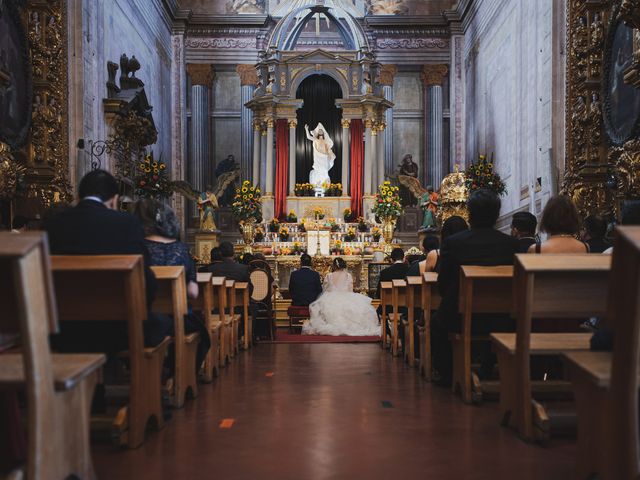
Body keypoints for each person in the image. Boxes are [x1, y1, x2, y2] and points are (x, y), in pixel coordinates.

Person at [44, 169, 171, 353]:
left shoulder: (54, 224)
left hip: (62, 329)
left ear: (79, 196)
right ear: (113, 200)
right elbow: (145, 279)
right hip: (119, 328)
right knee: (163, 324)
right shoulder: (126, 223)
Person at [432, 189, 519, 386]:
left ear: (469, 214)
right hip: (504, 318)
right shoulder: (512, 244)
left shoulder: (454, 243)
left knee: (437, 324)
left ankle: (448, 375)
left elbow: (444, 282)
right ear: (497, 215)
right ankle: (487, 366)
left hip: (460, 316)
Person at [133, 198, 211, 371]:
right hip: (176, 320)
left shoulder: (133, 247)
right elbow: (192, 293)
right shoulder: (180, 249)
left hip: (136, 320)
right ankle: (173, 373)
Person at [302, 257, 379, 336]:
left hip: (331, 298)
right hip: (347, 297)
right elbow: (350, 290)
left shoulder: (329, 275)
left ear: (334, 266)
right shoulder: (348, 276)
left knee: (322, 308)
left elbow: (325, 289)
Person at [206, 241, 255, 340]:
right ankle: (243, 335)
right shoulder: (242, 269)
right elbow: (250, 288)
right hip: (239, 307)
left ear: (220, 254)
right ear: (233, 253)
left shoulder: (211, 269)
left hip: (216, 306)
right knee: (254, 307)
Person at [305, 122, 335, 187]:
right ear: (318, 133)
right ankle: (317, 185)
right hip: (318, 157)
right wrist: (306, 130)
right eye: (319, 131)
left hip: (324, 158)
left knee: (324, 171)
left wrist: (330, 156)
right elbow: (308, 137)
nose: (320, 131)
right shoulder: (316, 139)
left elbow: (328, 150)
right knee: (318, 171)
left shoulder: (325, 141)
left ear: (323, 133)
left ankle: (324, 185)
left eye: (321, 130)